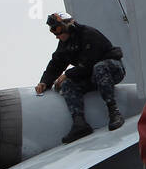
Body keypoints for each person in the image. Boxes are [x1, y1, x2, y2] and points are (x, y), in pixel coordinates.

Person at [35, 12, 126, 143]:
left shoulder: (89, 34)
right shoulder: (65, 43)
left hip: (112, 70)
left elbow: (89, 64)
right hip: (92, 76)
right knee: (68, 84)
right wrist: (44, 82)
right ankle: (80, 124)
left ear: (68, 25)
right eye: (54, 32)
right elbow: (56, 64)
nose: (57, 36)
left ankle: (114, 112)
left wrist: (67, 74)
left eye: (58, 30)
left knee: (99, 67)